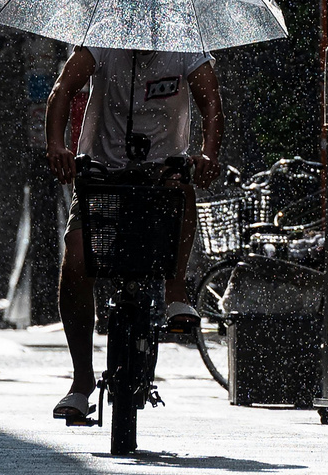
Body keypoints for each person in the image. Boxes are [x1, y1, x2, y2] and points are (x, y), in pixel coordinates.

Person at [45, 47, 223, 421]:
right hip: (102, 175)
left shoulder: (186, 47)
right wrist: (57, 146)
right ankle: (81, 382)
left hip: (162, 175)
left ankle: (176, 292)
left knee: (182, 187)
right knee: (76, 261)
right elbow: (62, 89)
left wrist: (207, 153)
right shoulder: (101, 44)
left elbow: (211, 103)